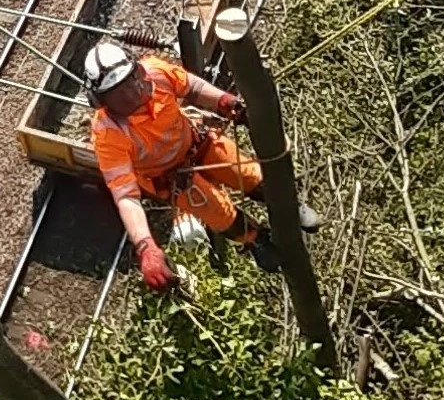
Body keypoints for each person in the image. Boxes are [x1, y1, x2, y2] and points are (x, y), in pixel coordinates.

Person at [84, 40, 321, 292]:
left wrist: (224, 102)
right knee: (219, 214)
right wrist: (146, 246)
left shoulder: (156, 73)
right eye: (118, 94)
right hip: (173, 177)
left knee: (248, 175)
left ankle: (290, 205)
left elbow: (192, 88)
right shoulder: (108, 133)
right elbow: (126, 196)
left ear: (138, 72)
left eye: (130, 83)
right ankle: (255, 239)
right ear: (102, 101)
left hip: (198, 144)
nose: (131, 96)